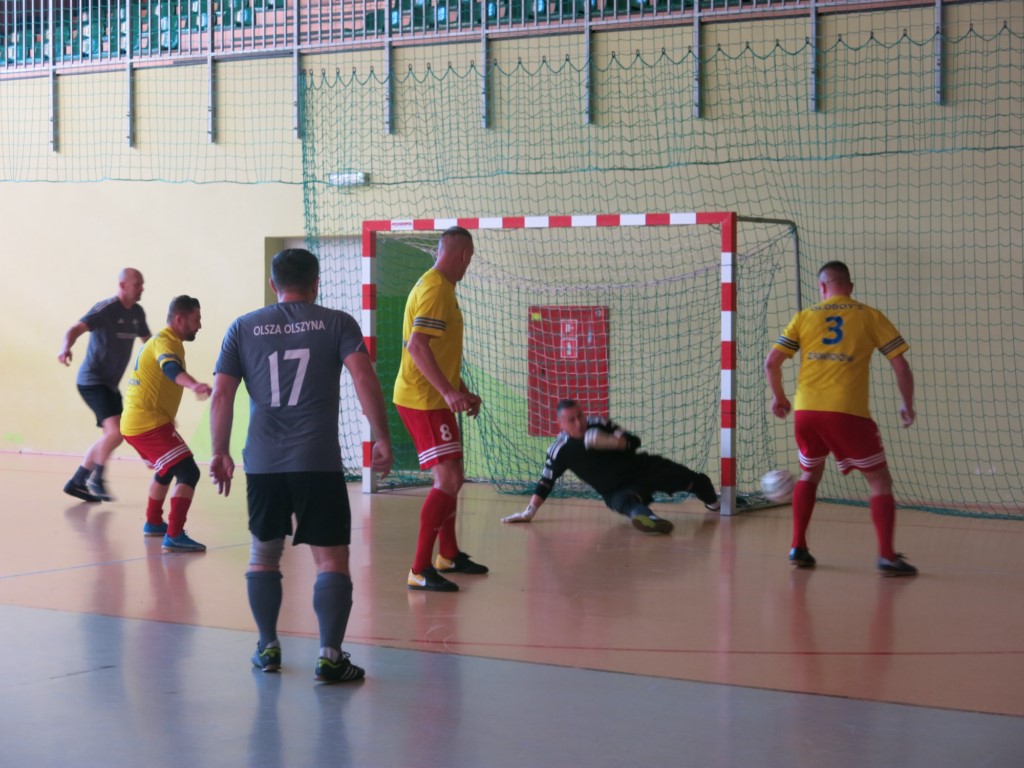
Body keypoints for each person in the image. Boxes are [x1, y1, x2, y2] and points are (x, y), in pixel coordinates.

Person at [208, 248, 394, 684]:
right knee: (331, 559)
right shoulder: (337, 323)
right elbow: (363, 377)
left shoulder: (242, 327)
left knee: (263, 554)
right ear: (316, 283)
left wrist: (219, 451)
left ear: (273, 283)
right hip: (318, 461)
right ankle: (330, 657)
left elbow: (222, 394)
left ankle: (268, 648)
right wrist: (381, 435)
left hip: (263, 463)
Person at [763, 260, 917, 576]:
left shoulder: (804, 316)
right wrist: (907, 404)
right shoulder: (869, 315)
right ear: (850, 287)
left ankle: (798, 546)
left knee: (810, 474)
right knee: (880, 481)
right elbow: (900, 366)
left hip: (806, 412)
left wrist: (779, 397)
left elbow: (771, 363)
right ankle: (887, 556)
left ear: (822, 287)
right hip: (847, 412)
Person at [393, 226, 487, 593]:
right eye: (470, 258)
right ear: (464, 255)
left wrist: (460, 389)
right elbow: (417, 347)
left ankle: (448, 555)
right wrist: (448, 393)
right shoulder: (435, 290)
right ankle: (419, 569)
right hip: (424, 399)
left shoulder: (438, 286)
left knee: (454, 476)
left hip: (434, 396)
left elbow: (437, 350)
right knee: (446, 479)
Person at [502, 399, 721, 533]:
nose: (579, 422)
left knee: (695, 481)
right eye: (571, 420)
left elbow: (634, 442)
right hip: (616, 490)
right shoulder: (559, 450)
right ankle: (649, 519)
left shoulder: (599, 424)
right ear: (560, 424)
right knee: (625, 502)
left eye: (580, 416)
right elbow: (546, 482)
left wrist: (612, 442)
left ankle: (715, 504)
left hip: (642, 468)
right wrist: (529, 512)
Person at [121, 295, 212, 554]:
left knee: (167, 469)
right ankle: (174, 535)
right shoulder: (166, 341)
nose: (200, 325)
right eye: (196, 319)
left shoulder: (164, 341)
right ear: (180, 319)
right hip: (147, 423)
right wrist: (194, 385)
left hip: (142, 421)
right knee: (189, 472)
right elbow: (170, 370)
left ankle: (153, 522)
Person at [58, 268, 151, 502]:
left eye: (142, 284)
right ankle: (97, 479)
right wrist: (65, 348)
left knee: (113, 434)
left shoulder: (137, 313)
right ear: (123, 285)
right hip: (92, 381)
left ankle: (77, 481)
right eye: (137, 284)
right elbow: (75, 329)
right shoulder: (105, 309)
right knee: (115, 432)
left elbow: (149, 344)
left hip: (110, 385)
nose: (141, 288)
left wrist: (165, 364)